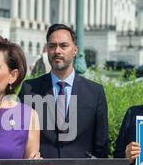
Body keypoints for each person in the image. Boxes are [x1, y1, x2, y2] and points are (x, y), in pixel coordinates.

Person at [19, 23, 109, 158]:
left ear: (75, 50)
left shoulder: (95, 92)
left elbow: (101, 144)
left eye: (64, 45)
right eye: (52, 46)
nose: (57, 51)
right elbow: (19, 137)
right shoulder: (29, 89)